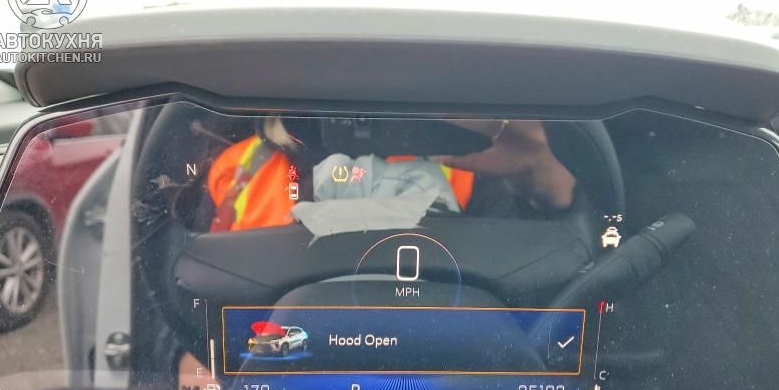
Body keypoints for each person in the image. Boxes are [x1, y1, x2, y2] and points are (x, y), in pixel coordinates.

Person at [206, 117, 575, 233]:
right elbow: (193, 281)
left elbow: (540, 283)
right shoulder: (233, 171)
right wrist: (188, 354)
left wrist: (543, 169)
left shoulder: (471, 160)